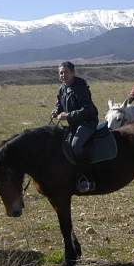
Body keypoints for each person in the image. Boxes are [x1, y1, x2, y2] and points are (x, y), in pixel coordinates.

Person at [51, 61, 100, 193]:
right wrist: (56, 110)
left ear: (73, 73)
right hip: (74, 123)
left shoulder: (80, 88)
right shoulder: (62, 88)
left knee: (76, 145)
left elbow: (86, 110)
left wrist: (67, 116)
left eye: (66, 72)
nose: (63, 75)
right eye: (61, 73)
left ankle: (88, 179)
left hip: (88, 122)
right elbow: (59, 103)